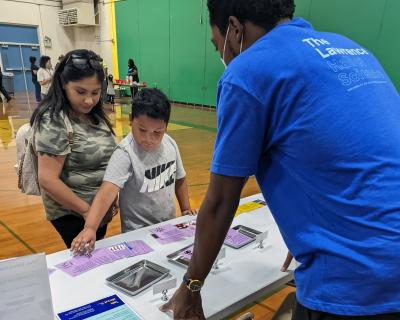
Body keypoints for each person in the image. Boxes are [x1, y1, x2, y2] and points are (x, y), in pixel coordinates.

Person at [161, 1, 400, 319]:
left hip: (358, 282)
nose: (222, 55)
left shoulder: (248, 72)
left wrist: (191, 287)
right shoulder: (351, 49)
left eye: (217, 44)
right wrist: (311, 223)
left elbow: (220, 201)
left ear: (234, 28)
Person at [70, 88, 197, 253]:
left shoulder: (170, 144)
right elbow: (107, 191)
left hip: (167, 226)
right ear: (131, 120)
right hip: (137, 233)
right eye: (142, 130)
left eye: (157, 132)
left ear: (166, 127)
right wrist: (90, 228)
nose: (149, 139)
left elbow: (180, 178)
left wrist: (185, 208)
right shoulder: (125, 153)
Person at [30, 49, 117, 248]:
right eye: (80, 92)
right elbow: (47, 179)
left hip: (97, 211)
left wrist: (110, 198)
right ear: (62, 84)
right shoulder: (53, 120)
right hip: (73, 213)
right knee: (84, 262)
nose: (89, 100)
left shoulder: (95, 115)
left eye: (95, 92)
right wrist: (88, 212)